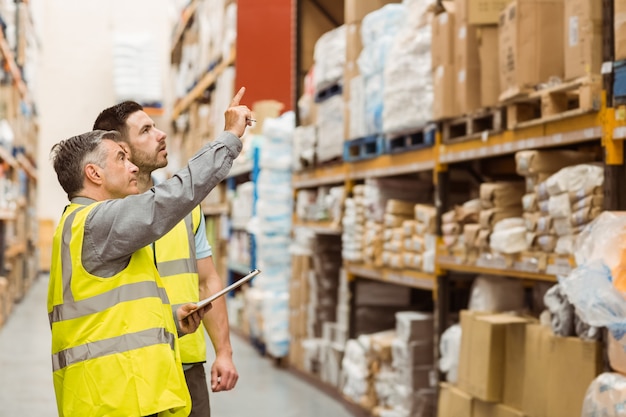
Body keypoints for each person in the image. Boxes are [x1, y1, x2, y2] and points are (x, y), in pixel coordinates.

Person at [48, 88, 250, 417]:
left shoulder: (75, 225)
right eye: (120, 159)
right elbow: (170, 199)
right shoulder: (96, 225)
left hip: (124, 389)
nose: (130, 168)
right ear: (94, 174)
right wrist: (229, 137)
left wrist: (170, 321)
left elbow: (108, 319)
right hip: (113, 397)